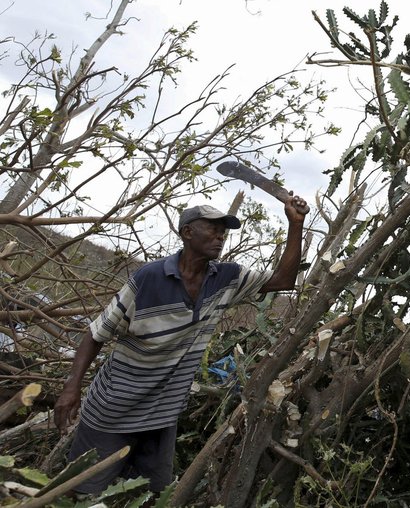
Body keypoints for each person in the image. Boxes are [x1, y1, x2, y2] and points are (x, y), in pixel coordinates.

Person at [54, 196, 309, 494]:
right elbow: (96, 334)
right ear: (187, 232)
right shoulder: (149, 278)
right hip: (114, 410)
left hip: (162, 414)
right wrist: (71, 389)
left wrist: (295, 224)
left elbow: (283, 280)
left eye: (223, 231)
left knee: (151, 495)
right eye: (212, 229)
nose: (220, 236)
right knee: (83, 491)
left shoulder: (226, 278)